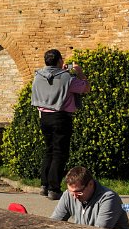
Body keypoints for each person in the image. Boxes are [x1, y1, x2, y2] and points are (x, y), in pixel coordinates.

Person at [31, 49, 90, 200]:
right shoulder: (68, 78)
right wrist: (79, 72)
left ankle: (44, 185)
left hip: (44, 116)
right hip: (61, 117)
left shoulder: (38, 76)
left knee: (49, 150)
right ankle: (54, 188)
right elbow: (86, 88)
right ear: (59, 61)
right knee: (59, 152)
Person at [49, 166, 129, 229]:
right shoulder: (68, 195)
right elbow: (54, 223)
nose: (74, 196)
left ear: (90, 184)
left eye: (78, 192)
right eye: (71, 191)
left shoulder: (109, 198)